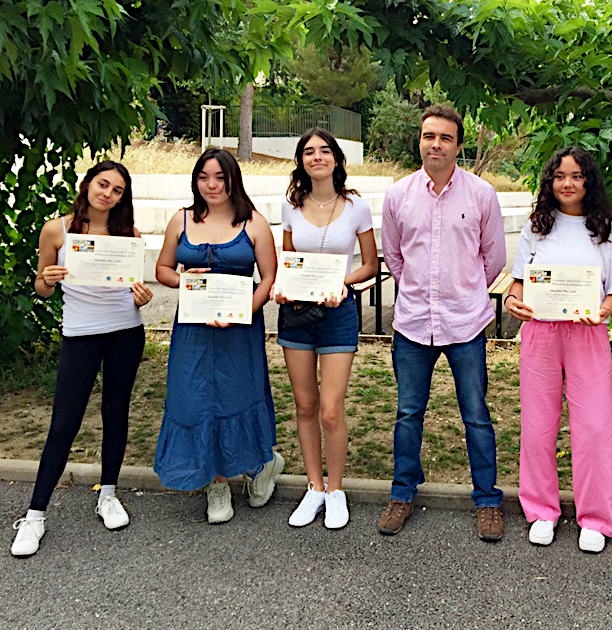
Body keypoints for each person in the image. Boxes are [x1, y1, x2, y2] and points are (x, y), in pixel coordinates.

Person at [11, 161, 154, 557]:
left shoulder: (130, 236)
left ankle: (108, 493)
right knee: (64, 422)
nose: (107, 193)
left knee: (115, 412)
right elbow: (41, 288)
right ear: (88, 184)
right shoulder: (57, 229)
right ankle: (35, 514)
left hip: (125, 332)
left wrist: (141, 298)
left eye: (117, 190)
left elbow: (131, 289)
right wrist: (47, 279)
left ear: (123, 198)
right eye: (102, 184)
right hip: (80, 335)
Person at [378, 104, 507, 540]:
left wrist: (466, 292)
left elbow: (494, 258)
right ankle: (402, 493)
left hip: (465, 325)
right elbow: (394, 256)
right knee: (408, 413)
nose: (436, 144)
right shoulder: (397, 195)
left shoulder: (482, 195)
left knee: (476, 415)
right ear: (420, 140)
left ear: (458, 145)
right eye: (429, 135)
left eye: (445, 137)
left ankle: (487, 500)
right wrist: (419, 291)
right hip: (413, 325)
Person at [504, 147, 612, 553]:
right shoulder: (536, 228)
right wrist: (512, 301)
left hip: (587, 334)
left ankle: (595, 517)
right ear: (549, 182)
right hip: (541, 333)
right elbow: (518, 281)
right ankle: (541, 510)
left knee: (593, 426)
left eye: (576, 176)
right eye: (559, 177)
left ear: (588, 181)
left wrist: (604, 310)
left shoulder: (606, 230)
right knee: (538, 425)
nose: (567, 184)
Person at [153, 148, 281, 524]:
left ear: (232, 180)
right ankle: (217, 482)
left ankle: (259, 465)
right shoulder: (181, 220)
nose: (211, 185)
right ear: (195, 181)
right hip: (192, 331)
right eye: (204, 177)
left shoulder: (254, 223)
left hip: (238, 332)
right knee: (194, 399)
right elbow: (162, 269)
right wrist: (184, 280)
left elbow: (269, 279)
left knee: (237, 395)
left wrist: (243, 312)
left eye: (220, 177)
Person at [274, 128, 378, 530]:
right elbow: (288, 260)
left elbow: (369, 265)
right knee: (305, 406)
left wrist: (342, 284)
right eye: (308, 152)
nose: (317, 157)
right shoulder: (290, 205)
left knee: (332, 411)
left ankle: (336, 491)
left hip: (338, 313)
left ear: (336, 158)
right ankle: (313, 488)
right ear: (301, 161)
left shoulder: (356, 207)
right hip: (297, 314)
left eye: (324, 151)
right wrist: (282, 288)